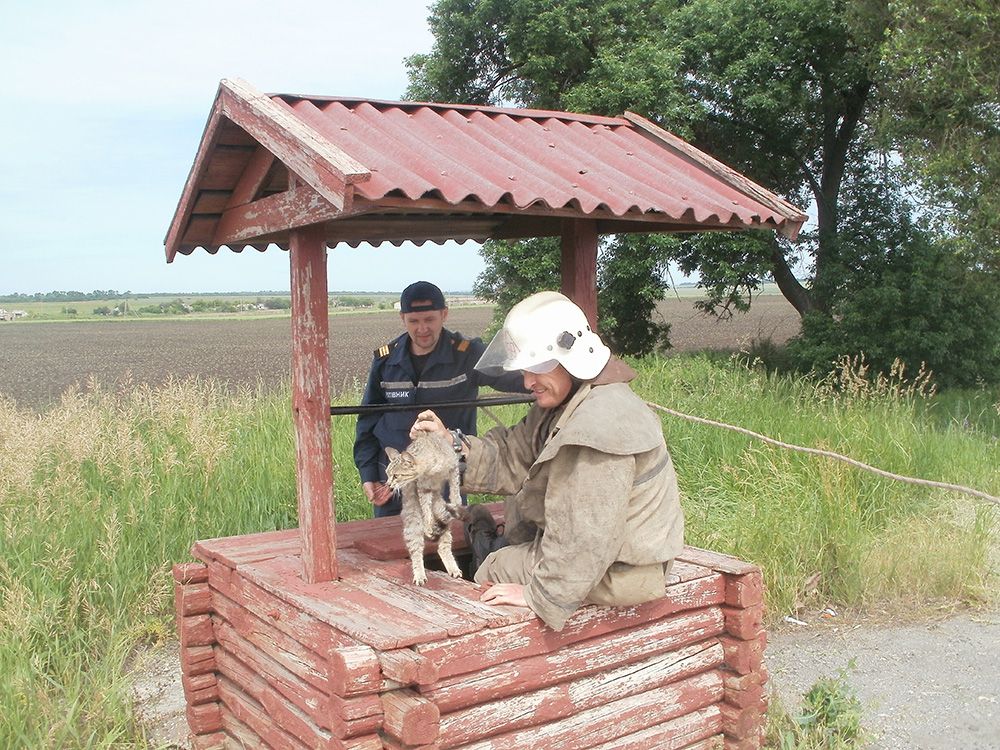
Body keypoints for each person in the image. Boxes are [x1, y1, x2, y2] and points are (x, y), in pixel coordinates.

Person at [410, 291, 684, 631]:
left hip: (622, 571)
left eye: (537, 367)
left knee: (492, 571)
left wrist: (540, 596)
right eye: (525, 368)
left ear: (572, 357)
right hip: (609, 559)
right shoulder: (569, 403)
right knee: (511, 531)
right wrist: (452, 445)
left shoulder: (597, 427)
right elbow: (514, 454)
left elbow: (586, 537)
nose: (527, 381)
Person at [354, 281, 527, 517]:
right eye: (414, 321)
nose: (422, 328)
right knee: (393, 546)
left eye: (429, 319)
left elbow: (521, 378)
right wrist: (369, 475)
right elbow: (368, 420)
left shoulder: (467, 355)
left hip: (444, 482)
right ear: (402, 318)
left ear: (444, 314)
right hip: (395, 484)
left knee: (446, 547)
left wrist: (561, 379)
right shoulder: (386, 361)